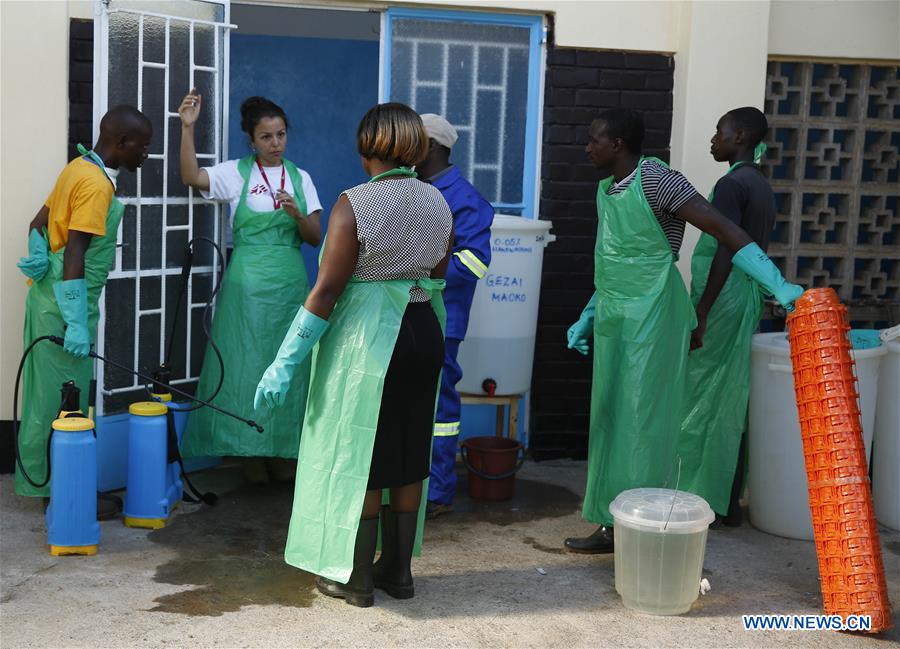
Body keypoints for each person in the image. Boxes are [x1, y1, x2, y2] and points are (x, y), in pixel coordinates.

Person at [563, 108, 803, 554]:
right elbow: (613, 261)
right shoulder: (606, 189)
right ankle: (609, 523)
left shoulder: (658, 181)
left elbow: (724, 230)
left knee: (642, 424)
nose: (587, 146)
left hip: (654, 316)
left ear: (617, 144)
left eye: (595, 139)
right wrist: (591, 312)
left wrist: (776, 282)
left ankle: (640, 529)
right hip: (616, 316)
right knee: (609, 420)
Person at [255, 103, 452, 608]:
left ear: (367, 147)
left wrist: (284, 362)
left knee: (359, 453)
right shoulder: (437, 202)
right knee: (407, 451)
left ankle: (356, 577)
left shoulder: (353, 205)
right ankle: (399, 573)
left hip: (368, 341)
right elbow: (437, 272)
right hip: (422, 330)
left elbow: (325, 292)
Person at [177, 91, 323, 482]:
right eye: (266, 137)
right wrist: (187, 128)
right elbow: (191, 177)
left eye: (281, 135)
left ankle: (284, 450)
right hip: (245, 289)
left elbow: (314, 236)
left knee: (287, 364)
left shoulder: (300, 177)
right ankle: (249, 453)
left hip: (290, 286)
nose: (275, 144)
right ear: (252, 140)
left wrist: (296, 213)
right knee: (245, 366)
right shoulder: (236, 173)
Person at [15, 105, 152, 503]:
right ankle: (62, 496)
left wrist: (39, 251)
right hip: (64, 305)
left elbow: (37, 224)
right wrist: (75, 323)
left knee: (46, 397)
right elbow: (75, 254)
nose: (145, 155)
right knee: (65, 400)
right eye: (142, 147)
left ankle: (47, 486)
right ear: (120, 143)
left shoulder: (78, 167)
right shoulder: (96, 186)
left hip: (48, 296)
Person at [677, 107, 777, 525]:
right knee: (729, 397)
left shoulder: (731, 183)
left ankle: (701, 499)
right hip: (743, 298)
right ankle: (727, 499)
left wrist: (701, 312)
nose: (712, 141)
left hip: (723, 299)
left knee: (702, 397)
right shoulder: (761, 183)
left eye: (719, 133)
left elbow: (726, 247)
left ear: (739, 136)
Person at [415, 113, 493, 519]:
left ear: (430, 146)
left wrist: (421, 267)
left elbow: (476, 262)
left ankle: (438, 493)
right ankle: (410, 486)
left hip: (444, 318)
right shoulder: (411, 189)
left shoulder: (464, 198)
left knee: (439, 409)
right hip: (409, 314)